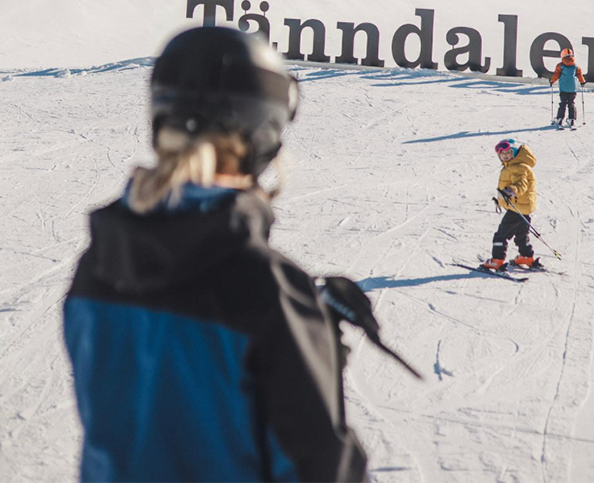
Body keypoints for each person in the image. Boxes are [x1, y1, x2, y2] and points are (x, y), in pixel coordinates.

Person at [62, 27, 369, 483]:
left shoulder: (100, 263)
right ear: (264, 136)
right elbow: (320, 468)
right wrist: (311, 350)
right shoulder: (265, 290)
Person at [481, 139, 542, 271]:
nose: (505, 156)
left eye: (508, 153)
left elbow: (521, 184)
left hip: (517, 207)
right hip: (523, 207)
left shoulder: (518, 167)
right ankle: (526, 256)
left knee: (501, 235)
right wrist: (502, 197)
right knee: (521, 234)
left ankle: (497, 260)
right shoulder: (515, 165)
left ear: (514, 153)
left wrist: (510, 191)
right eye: (502, 154)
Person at [549, 48, 586, 128]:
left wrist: (551, 81)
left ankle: (559, 118)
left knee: (563, 104)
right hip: (573, 89)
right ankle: (571, 119)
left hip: (563, 89)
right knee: (571, 104)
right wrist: (582, 82)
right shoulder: (576, 66)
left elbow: (556, 75)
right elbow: (580, 75)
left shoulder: (560, 66)